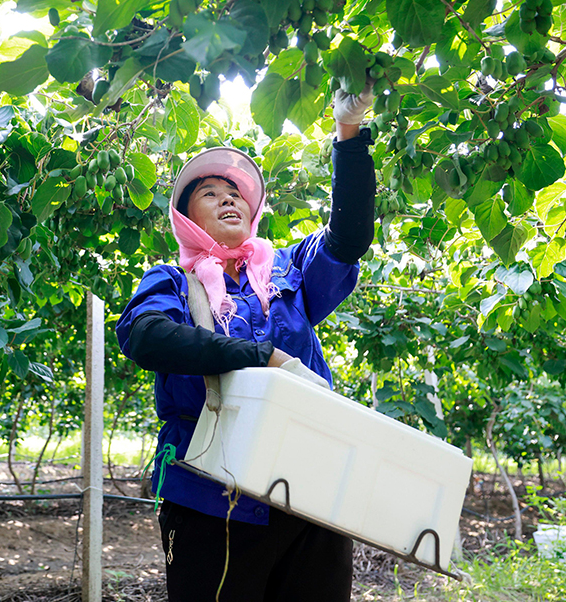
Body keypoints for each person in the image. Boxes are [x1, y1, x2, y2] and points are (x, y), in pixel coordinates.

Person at [115, 84, 377, 601]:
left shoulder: (286, 270)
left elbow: (348, 239)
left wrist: (348, 134)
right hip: (210, 497)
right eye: (210, 194)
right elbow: (144, 336)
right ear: (187, 218)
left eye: (235, 193)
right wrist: (261, 357)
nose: (228, 198)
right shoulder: (173, 282)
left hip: (310, 493)